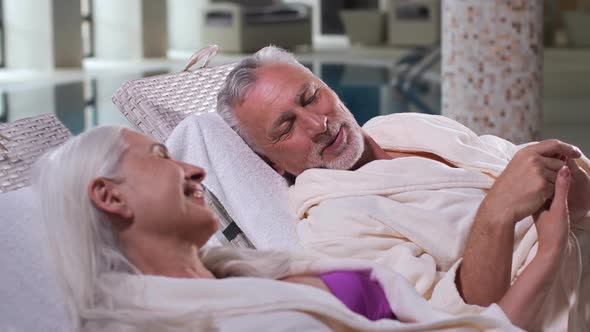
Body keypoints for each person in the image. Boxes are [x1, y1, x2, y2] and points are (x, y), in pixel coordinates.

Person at [32, 126, 573, 331]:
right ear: (109, 196)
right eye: (158, 156)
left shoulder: (252, 270)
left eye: (312, 94)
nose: (193, 168)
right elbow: (468, 311)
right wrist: (543, 247)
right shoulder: (182, 322)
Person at [216, 46, 590, 330]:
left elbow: (511, 164)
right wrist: (498, 213)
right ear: (272, 163)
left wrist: (559, 175)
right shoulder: (332, 224)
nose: (318, 124)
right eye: (286, 127)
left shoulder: (402, 126)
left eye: (312, 96)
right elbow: (448, 316)